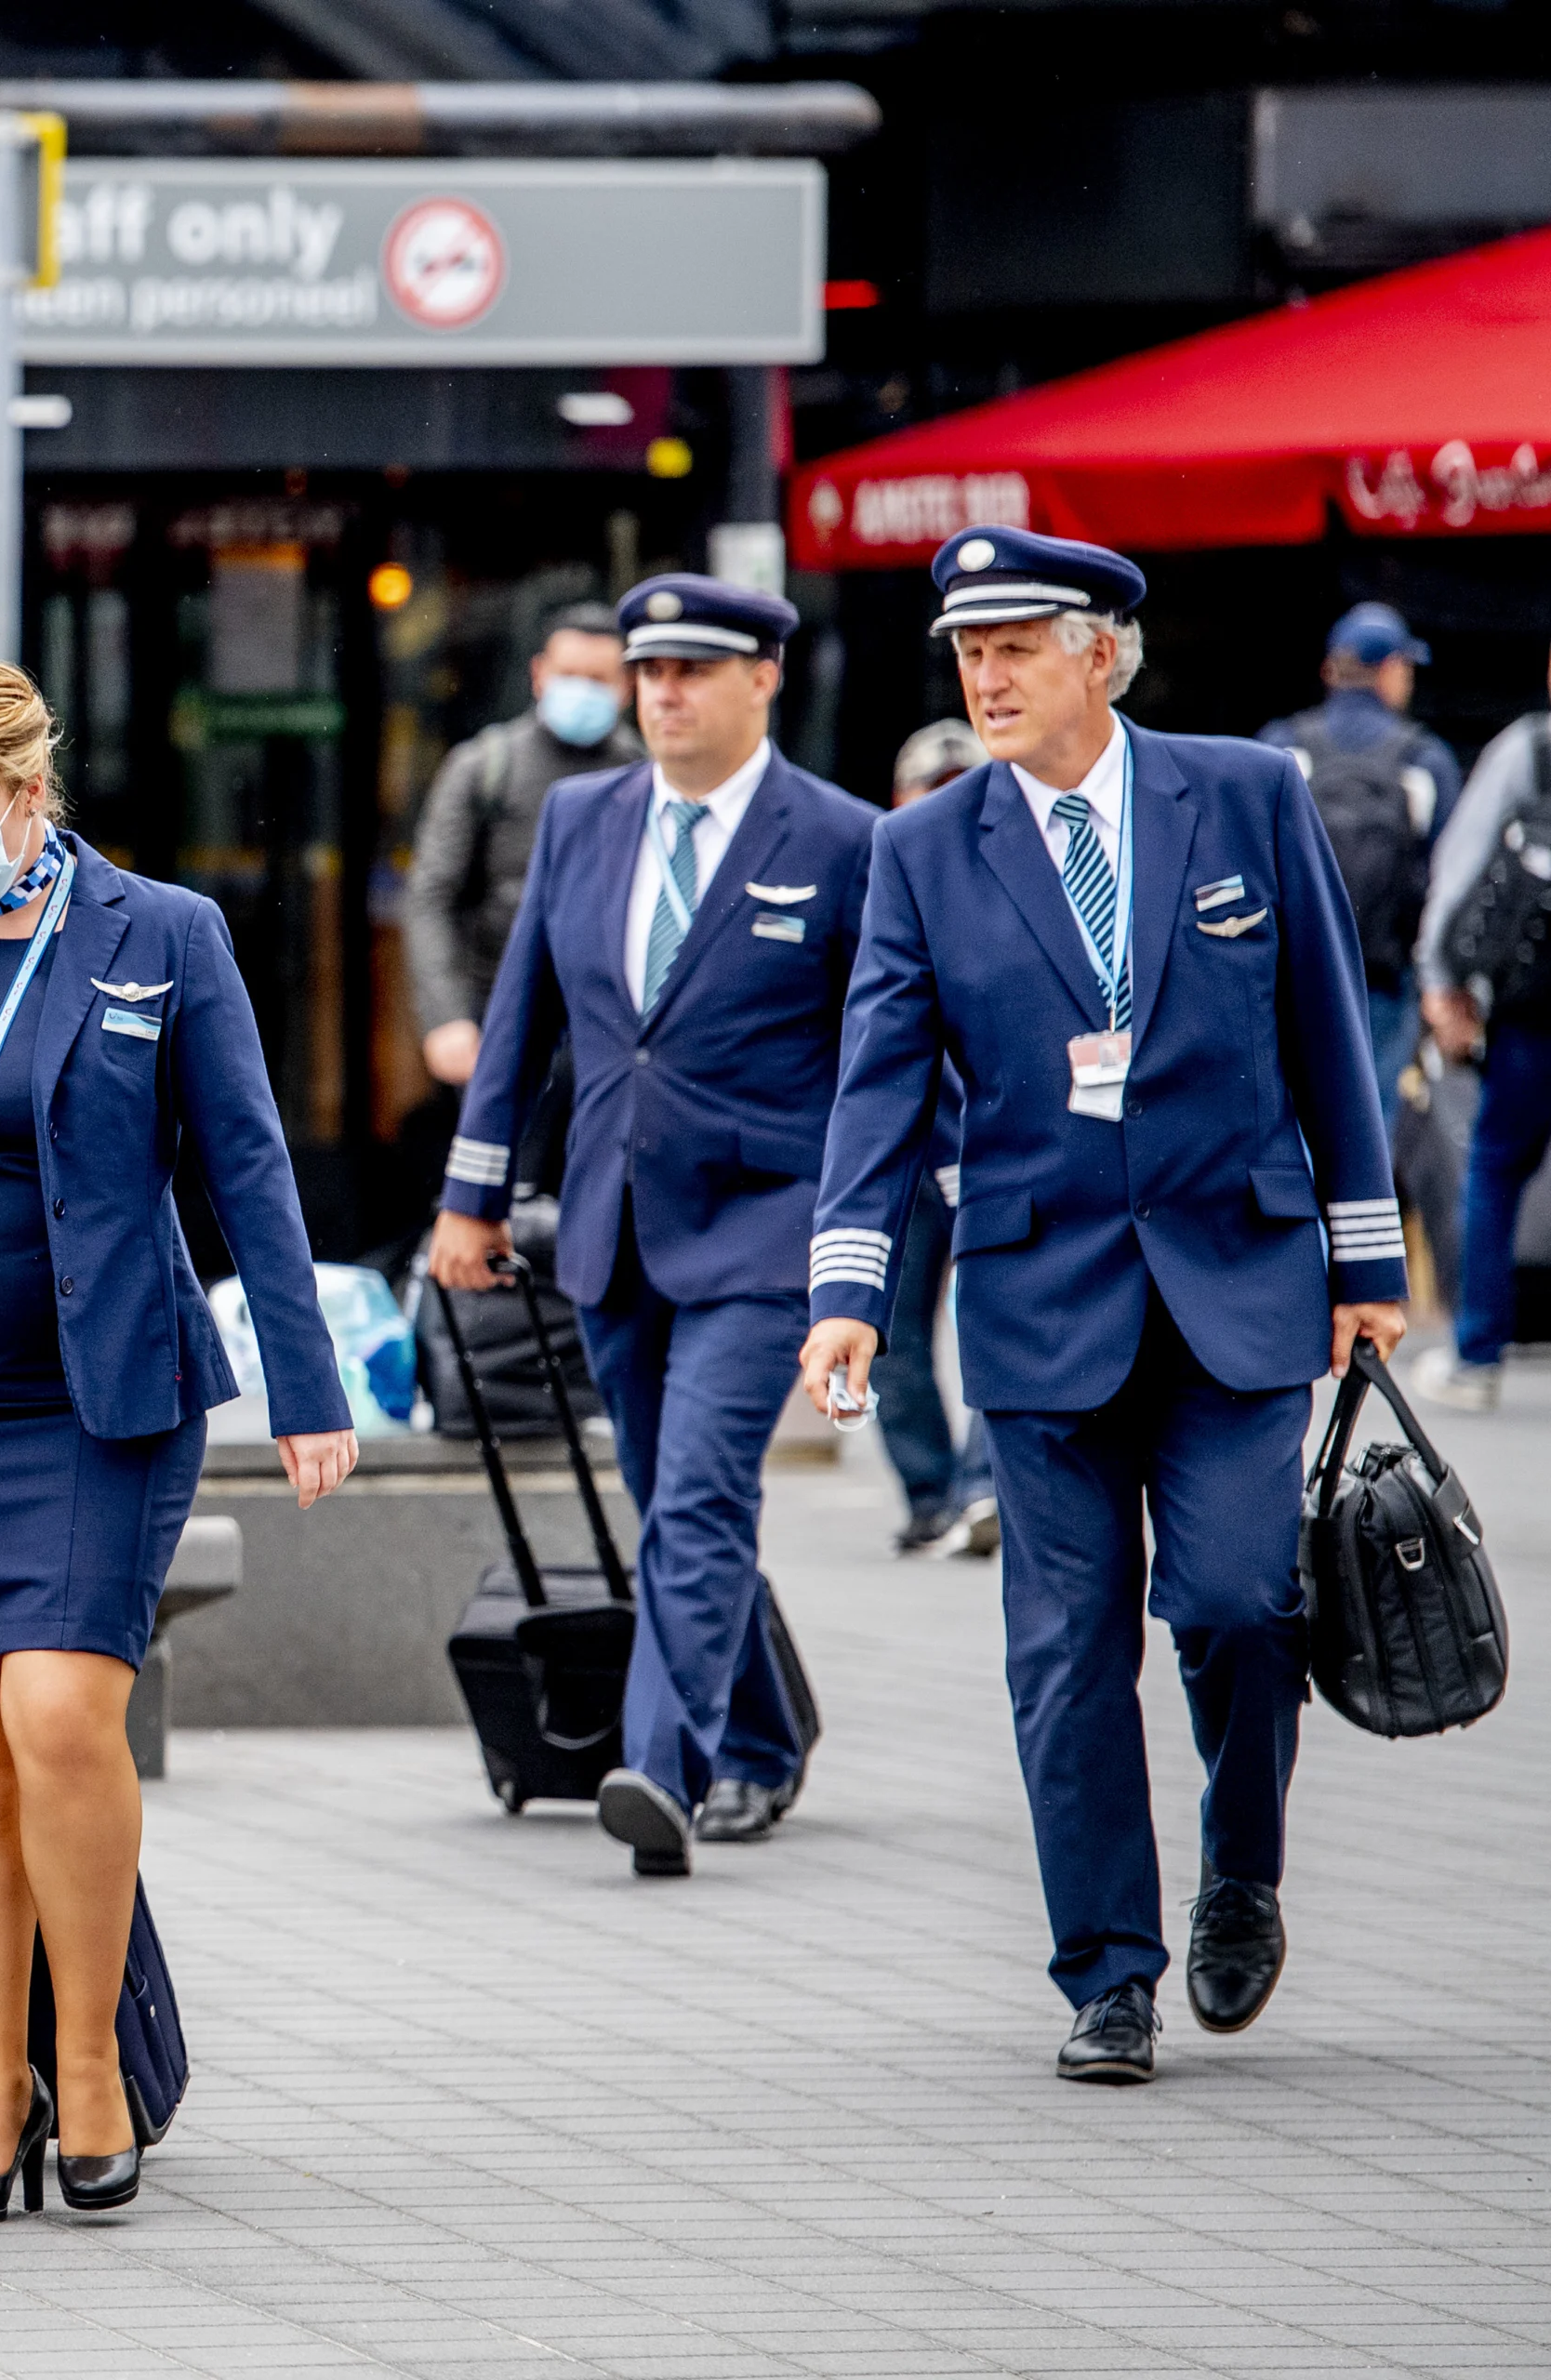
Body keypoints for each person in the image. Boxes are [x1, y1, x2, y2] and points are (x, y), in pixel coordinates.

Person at [799, 528, 1405, 2086]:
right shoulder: (924, 848)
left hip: (1241, 1283)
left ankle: (1244, 1873)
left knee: (1233, 1605)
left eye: (1015, 647)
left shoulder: (1247, 796)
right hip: (1035, 1297)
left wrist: (1369, 1267)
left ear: (1102, 654)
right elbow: (876, 1086)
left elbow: (1330, 1031)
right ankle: (1108, 1975)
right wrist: (851, 1291)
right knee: (1065, 1653)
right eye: (967, 652)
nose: (984, 677)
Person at [0, 655, 356, 2225]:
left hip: (101, 1395)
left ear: (32, 795)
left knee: (56, 1718)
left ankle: (89, 2067)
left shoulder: (160, 935)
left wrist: (307, 1389)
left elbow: (246, 1167)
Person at [426, 575, 878, 1876]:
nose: (664, 694)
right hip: (611, 1223)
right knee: (668, 1498)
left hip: (765, 1224)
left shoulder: (842, 839)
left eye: (695, 671)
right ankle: (767, 1733)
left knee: (697, 1489)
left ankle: (661, 1766)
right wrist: (472, 1198)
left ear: (762, 680)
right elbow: (520, 1027)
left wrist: (864, 1245)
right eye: (649, 671)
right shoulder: (584, 818)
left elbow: (887, 1055)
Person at [405, 602, 641, 1091]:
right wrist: (446, 1016)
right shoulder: (485, 766)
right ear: (539, 675)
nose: (583, 690)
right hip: (497, 1016)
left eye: (599, 678)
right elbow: (430, 897)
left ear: (626, 687)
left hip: (614, 1033)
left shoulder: (647, 774)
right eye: (569, 674)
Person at [1411, 638, 1551, 1411]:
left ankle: (1477, 1352)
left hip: (1533, 1012)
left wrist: (1440, 979)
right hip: (1530, 1012)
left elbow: (1462, 863)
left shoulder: (1530, 749)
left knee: (1495, 1170)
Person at [1260, 602, 1460, 1131]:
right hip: (1383, 981)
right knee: (1370, 1124)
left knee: (1294, 1122)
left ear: (1332, 669)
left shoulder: (1281, 748)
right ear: (1391, 669)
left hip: (1293, 980)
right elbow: (1452, 879)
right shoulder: (1425, 759)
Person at [878, 719, 999, 1557]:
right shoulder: (885, 869)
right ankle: (931, 1495)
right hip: (906, 1154)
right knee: (890, 1330)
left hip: (996, 1149)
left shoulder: (1027, 874)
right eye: (934, 790)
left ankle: (983, 1490)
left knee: (1002, 1317)